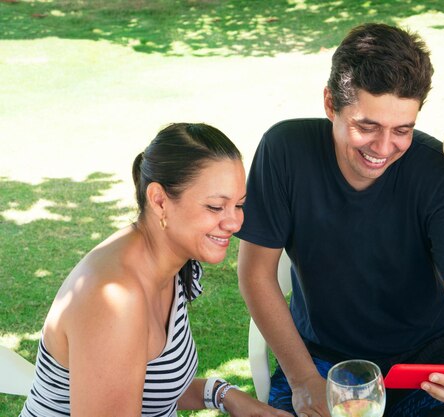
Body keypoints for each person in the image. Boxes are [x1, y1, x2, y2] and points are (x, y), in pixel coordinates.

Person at [236, 23, 444, 417]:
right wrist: (303, 379)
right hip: (322, 364)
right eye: (367, 126)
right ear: (330, 104)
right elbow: (256, 274)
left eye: (402, 130)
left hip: (424, 365)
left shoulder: (438, 173)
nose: (383, 148)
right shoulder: (284, 152)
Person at [20, 123, 292, 417]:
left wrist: (224, 394)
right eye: (215, 207)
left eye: (239, 205)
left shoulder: (171, 263)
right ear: (159, 200)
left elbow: (152, 387)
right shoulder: (114, 300)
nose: (235, 223)